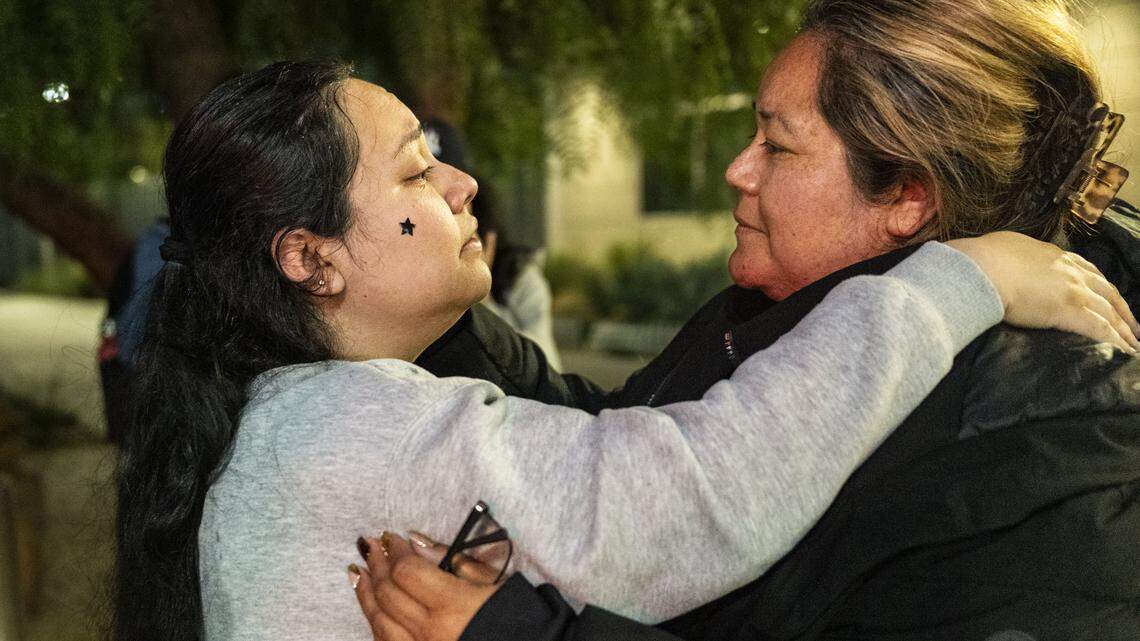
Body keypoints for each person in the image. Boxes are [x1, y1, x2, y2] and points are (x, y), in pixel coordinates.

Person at [111, 60, 1131, 641]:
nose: (464, 186)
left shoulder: (310, 414)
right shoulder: (342, 424)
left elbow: (592, 423)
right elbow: (690, 486)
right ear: (311, 260)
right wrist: (959, 281)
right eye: (419, 172)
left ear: (911, 193)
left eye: (776, 143)